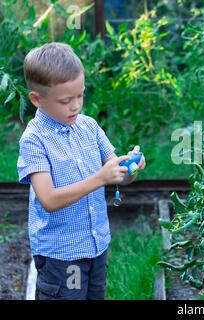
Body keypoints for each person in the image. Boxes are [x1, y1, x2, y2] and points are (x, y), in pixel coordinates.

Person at [17, 42, 146, 300]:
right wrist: (99, 178)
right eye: (65, 100)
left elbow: (118, 174)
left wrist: (131, 167)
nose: (75, 105)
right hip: (61, 255)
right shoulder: (34, 140)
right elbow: (49, 199)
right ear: (37, 99)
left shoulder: (88, 126)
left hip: (96, 245)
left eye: (80, 95)